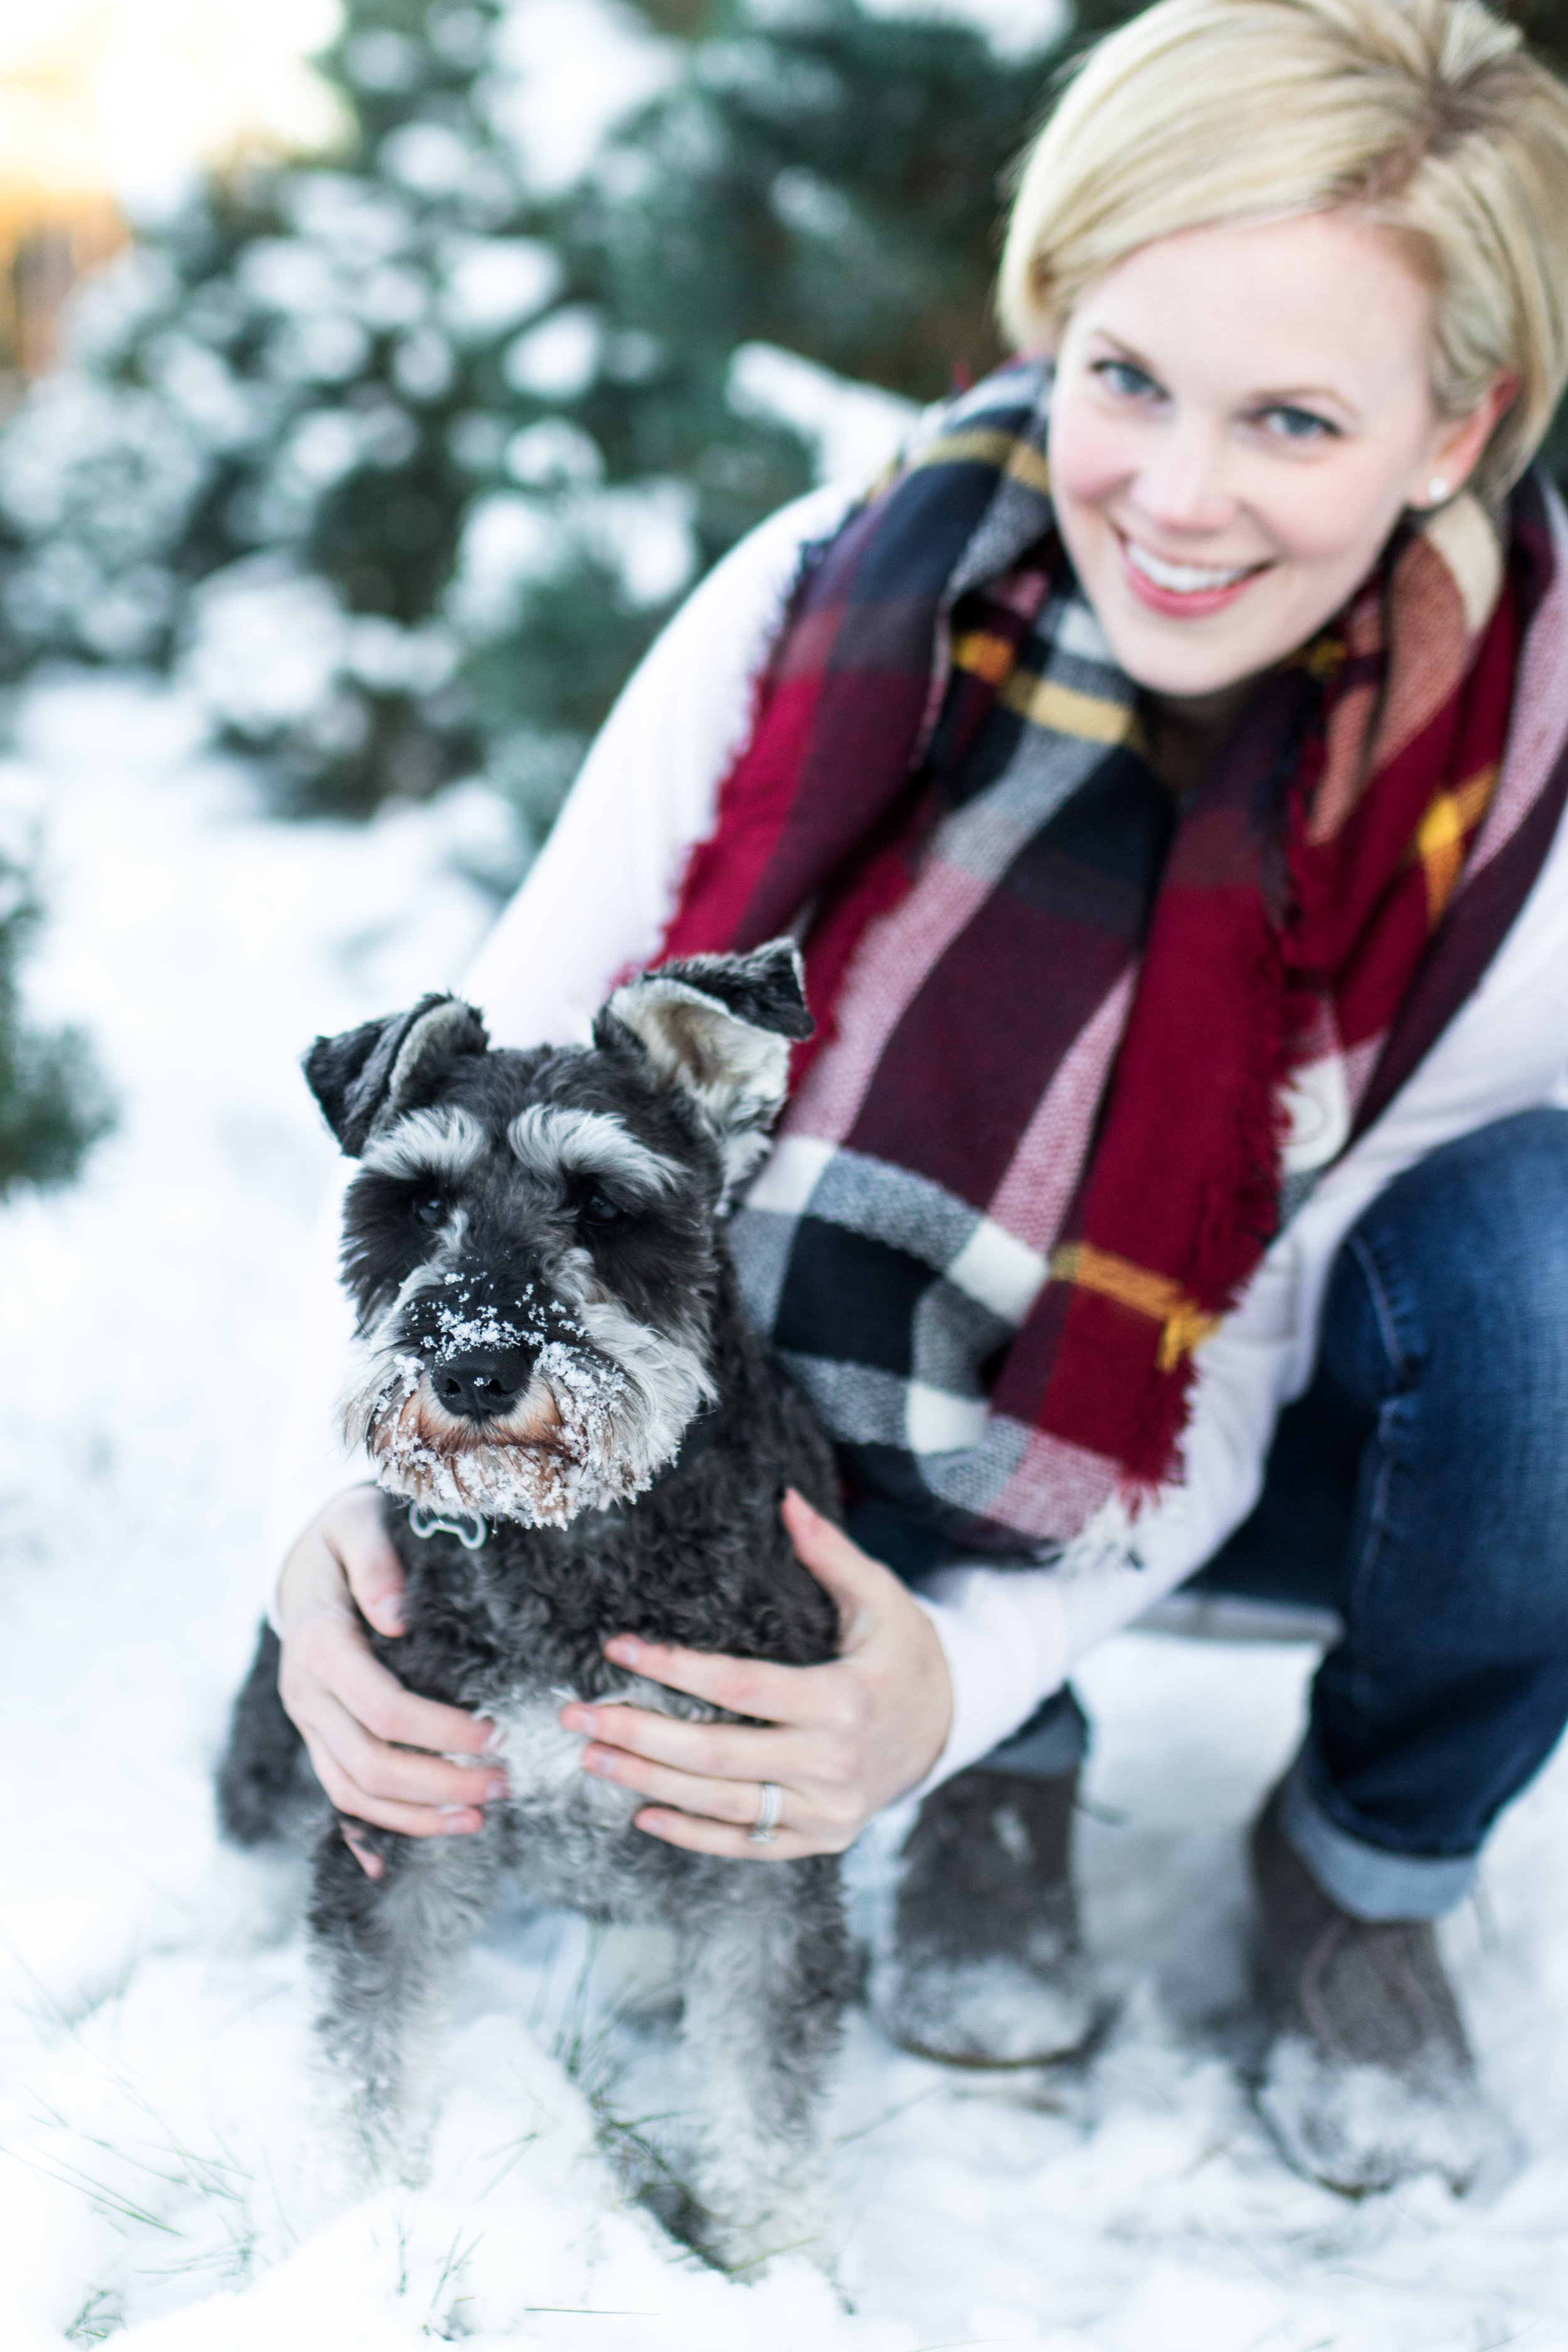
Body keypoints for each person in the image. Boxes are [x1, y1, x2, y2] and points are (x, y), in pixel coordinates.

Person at [266, 0, 1568, 2198]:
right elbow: (466, 1109)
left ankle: (1367, 1866)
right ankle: (986, 1772)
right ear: (1049, 313)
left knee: (1545, 1279)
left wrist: (949, 1669)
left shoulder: (1517, 796)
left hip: (1258, 1432)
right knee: (671, 1151)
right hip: (802, 1427)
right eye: (1126, 376)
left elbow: (1232, 1350)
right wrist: (318, 1541)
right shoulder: (823, 595)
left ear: (1461, 427)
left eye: (1293, 418)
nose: (1172, 493)